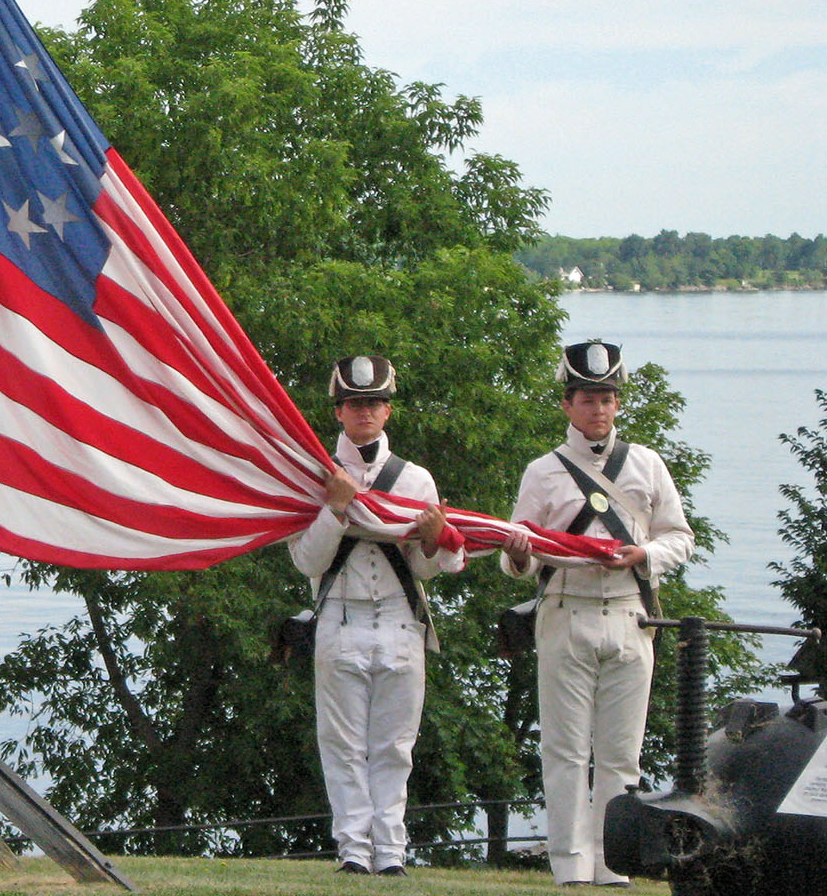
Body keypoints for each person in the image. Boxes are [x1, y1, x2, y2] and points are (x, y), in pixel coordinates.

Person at [501, 340, 694, 888]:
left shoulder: (646, 463)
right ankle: (568, 865)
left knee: (619, 753)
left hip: (632, 614)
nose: (598, 409)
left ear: (617, 401)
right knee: (562, 749)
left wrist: (646, 555)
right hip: (566, 608)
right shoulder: (543, 471)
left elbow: (679, 537)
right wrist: (516, 556)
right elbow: (520, 553)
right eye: (587, 398)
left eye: (607, 397)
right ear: (567, 404)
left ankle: (613, 864)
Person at [287, 355, 463, 877]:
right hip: (338, 617)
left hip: (398, 619)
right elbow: (307, 561)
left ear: (387, 411)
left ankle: (390, 851)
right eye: (354, 403)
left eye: (374, 403)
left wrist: (432, 540)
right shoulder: (314, 475)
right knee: (341, 745)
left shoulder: (415, 480)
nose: (365, 411)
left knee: (394, 746)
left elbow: (429, 569)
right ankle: (353, 851)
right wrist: (337, 509)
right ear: (338, 411)